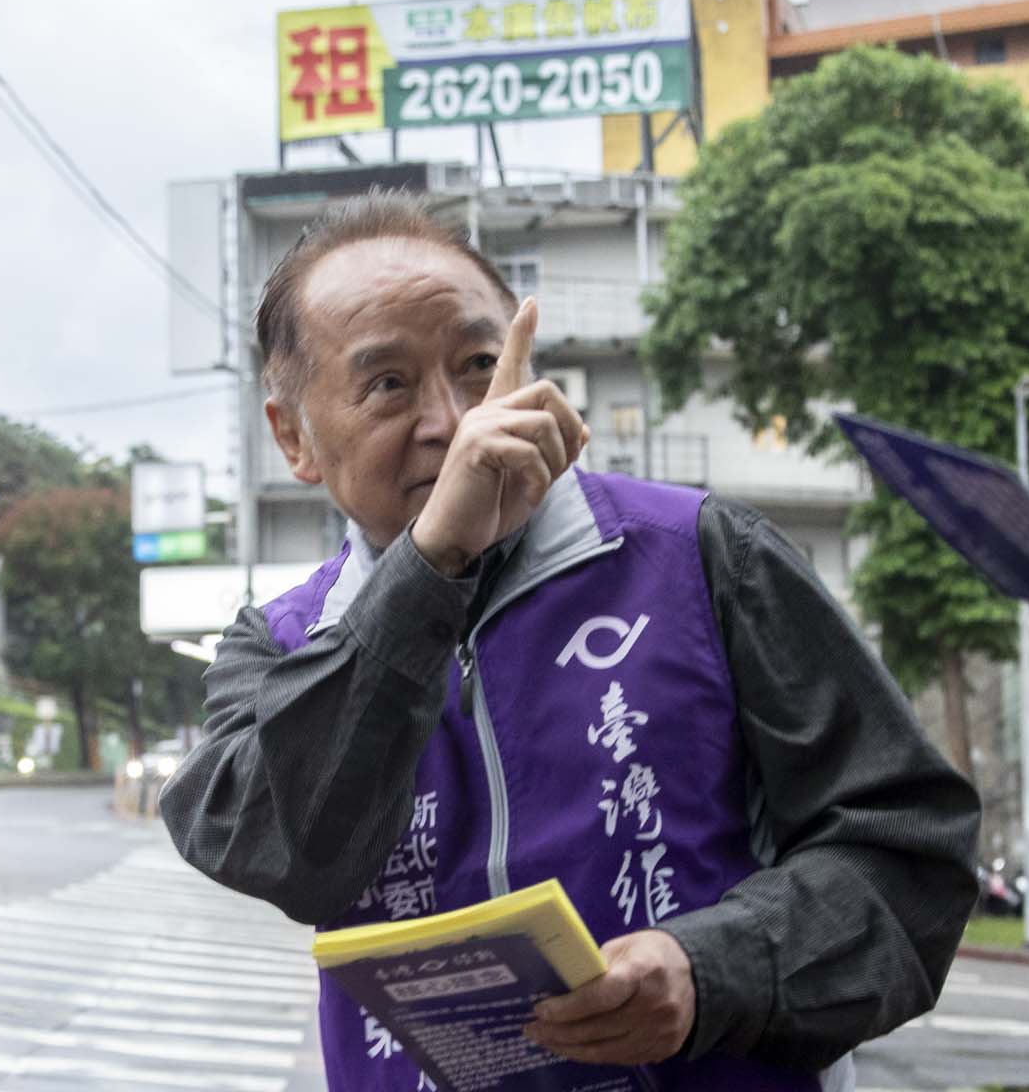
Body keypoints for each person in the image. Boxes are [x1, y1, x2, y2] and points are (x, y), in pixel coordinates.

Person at [161, 193, 980, 1091]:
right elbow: (281, 852)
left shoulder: (703, 555)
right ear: (294, 438)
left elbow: (907, 856)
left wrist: (712, 971)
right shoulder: (277, 643)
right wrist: (435, 563)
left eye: (480, 365)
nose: (454, 422)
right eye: (388, 384)